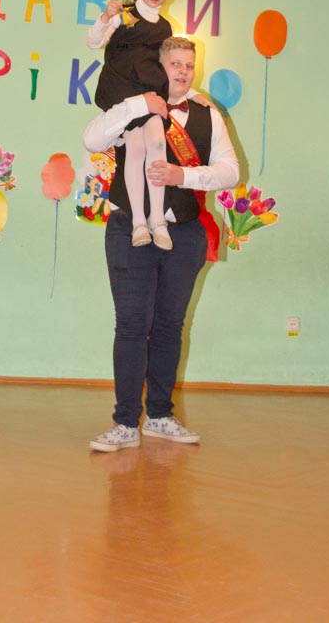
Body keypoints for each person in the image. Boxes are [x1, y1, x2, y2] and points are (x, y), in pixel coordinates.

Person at [84, 36, 240, 452]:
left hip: (184, 234)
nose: (183, 72)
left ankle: (159, 416)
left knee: (171, 326)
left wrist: (183, 176)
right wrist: (137, 105)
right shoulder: (132, 105)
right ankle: (124, 423)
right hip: (130, 232)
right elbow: (92, 140)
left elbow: (230, 171)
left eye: (189, 65)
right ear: (158, 66)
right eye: (175, 64)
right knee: (132, 325)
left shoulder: (207, 114)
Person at [86, 0, 175, 251]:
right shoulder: (124, 14)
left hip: (149, 90)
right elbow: (93, 42)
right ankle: (139, 221)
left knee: (158, 143)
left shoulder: (165, 27)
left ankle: (157, 220)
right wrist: (105, 17)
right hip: (122, 90)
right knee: (135, 148)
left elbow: (166, 67)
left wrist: (192, 95)